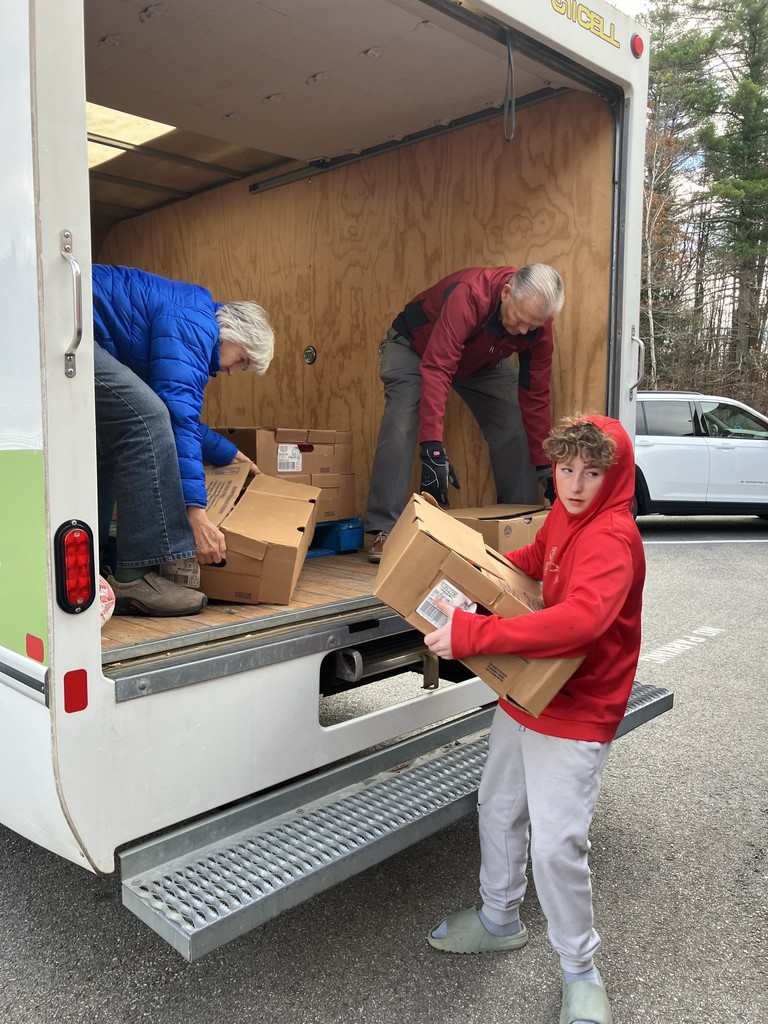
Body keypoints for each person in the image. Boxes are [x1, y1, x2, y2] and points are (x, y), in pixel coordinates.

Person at [424, 414, 645, 1024]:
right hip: (529, 690)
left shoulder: (611, 538)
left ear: (615, 474)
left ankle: (581, 969)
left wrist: (475, 631)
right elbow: (537, 556)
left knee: (556, 847)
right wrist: (482, 565)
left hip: (577, 706)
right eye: (567, 470)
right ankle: (499, 918)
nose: (574, 485)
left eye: (592, 472)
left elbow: (579, 622)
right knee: (497, 804)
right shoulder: (568, 515)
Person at [92, 263, 274, 617]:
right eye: (242, 360)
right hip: (62, 323)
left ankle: (90, 567)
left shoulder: (191, 313)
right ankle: (133, 576)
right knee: (145, 420)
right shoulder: (196, 324)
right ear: (232, 331)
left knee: (113, 438)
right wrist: (197, 514)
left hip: (68, 324)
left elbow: (174, 409)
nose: (233, 371)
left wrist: (227, 451)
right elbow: (172, 416)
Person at [364, 263, 564, 563]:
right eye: (520, 320)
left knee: (515, 419)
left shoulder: (537, 321)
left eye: (532, 326)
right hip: (415, 349)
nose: (524, 331)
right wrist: (432, 450)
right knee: (402, 423)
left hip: (477, 360)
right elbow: (437, 367)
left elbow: (535, 394)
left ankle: (518, 525)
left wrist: (546, 468)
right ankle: (384, 529)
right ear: (507, 293)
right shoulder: (470, 295)